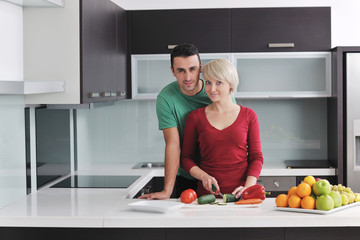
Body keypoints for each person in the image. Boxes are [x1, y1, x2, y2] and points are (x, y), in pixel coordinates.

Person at [181, 59, 264, 198]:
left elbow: (256, 158)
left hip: (242, 197)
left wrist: (248, 188)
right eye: (208, 82)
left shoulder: (249, 115)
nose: (212, 89)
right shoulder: (195, 117)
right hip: (207, 198)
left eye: (218, 82)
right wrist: (204, 177)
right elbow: (186, 159)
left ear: (230, 84)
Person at [138, 43, 212, 199]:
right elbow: (173, 144)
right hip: (185, 176)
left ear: (201, 67)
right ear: (172, 71)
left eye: (192, 69)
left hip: (216, 174)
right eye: (181, 71)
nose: (188, 77)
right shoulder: (166, 98)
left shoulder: (217, 91)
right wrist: (167, 191)